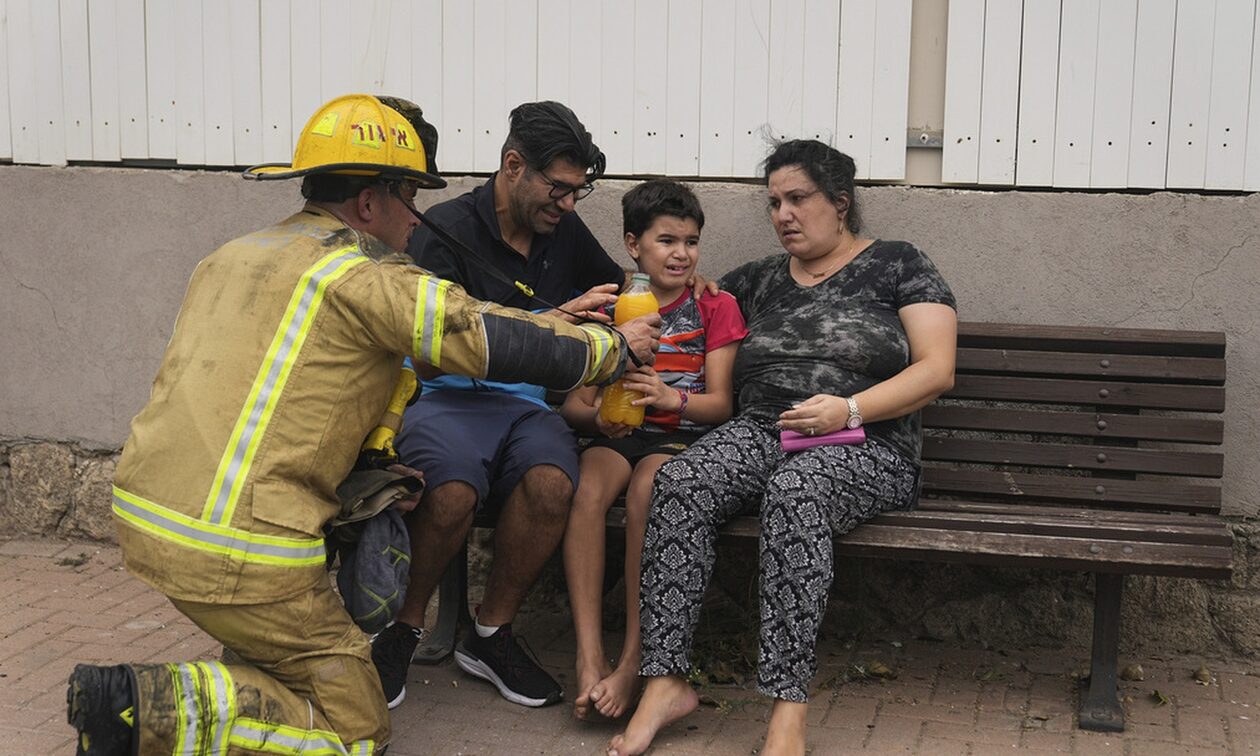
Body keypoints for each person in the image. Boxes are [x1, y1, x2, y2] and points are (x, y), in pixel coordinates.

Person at [62, 93, 659, 756]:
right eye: (411, 197)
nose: (417, 219)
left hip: (148, 520)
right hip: (242, 550)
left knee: (278, 657)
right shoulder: (366, 278)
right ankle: (143, 708)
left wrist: (374, 457)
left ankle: (215, 681)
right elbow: (483, 335)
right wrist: (610, 349)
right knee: (358, 729)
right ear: (373, 201)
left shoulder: (236, 253)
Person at [609, 140, 958, 756]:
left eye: (797, 199)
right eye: (773, 203)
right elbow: (683, 297)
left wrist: (849, 408)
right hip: (765, 430)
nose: (783, 215)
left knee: (797, 491)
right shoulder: (760, 279)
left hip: (867, 443)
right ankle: (664, 683)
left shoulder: (900, 264)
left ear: (840, 203)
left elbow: (937, 370)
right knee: (681, 483)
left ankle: (787, 714)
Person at [368, 100, 631, 712]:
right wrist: (554, 322)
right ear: (514, 166)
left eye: (578, 192)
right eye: (559, 188)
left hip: (526, 406)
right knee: (451, 491)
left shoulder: (562, 227)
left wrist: (681, 285)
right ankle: (402, 629)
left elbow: (618, 284)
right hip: (445, 398)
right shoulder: (443, 227)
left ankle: (490, 633)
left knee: (551, 484)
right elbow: (430, 359)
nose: (569, 204)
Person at [561, 180, 746, 721]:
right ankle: (588, 655)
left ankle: (633, 659)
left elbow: (722, 405)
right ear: (633, 244)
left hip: (680, 437)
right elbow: (575, 406)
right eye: (667, 241)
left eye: (691, 242)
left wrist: (672, 398)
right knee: (587, 490)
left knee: (650, 490)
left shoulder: (714, 306)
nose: (681, 254)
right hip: (617, 433)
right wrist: (599, 418)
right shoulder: (610, 307)